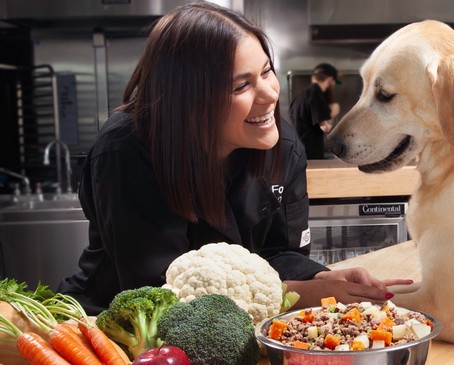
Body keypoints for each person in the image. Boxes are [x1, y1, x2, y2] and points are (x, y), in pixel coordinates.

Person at [58, 2, 409, 315]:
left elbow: (279, 252)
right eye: (241, 86)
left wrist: (323, 278)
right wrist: (306, 293)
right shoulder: (127, 151)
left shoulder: (284, 146)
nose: (270, 94)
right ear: (188, 102)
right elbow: (156, 294)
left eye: (267, 72)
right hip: (109, 327)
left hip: (238, 329)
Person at [289, 63, 341, 159]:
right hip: (311, 154)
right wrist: (333, 112)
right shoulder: (316, 95)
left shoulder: (300, 96)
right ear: (330, 80)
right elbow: (325, 127)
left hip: (299, 153)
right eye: (333, 82)